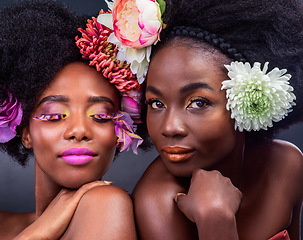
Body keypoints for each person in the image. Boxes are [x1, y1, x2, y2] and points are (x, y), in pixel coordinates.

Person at [99, 0, 303, 239]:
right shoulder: (160, 202)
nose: (170, 127)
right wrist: (216, 219)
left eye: (198, 102)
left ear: (246, 100)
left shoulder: (287, 165)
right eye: (157, 103)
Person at [0, 0, 142, 239]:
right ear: (25, 132)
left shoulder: (107, 206)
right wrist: (37, 233)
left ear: (120, 131)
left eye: (100, 116)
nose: (79, 130)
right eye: (55, 116)